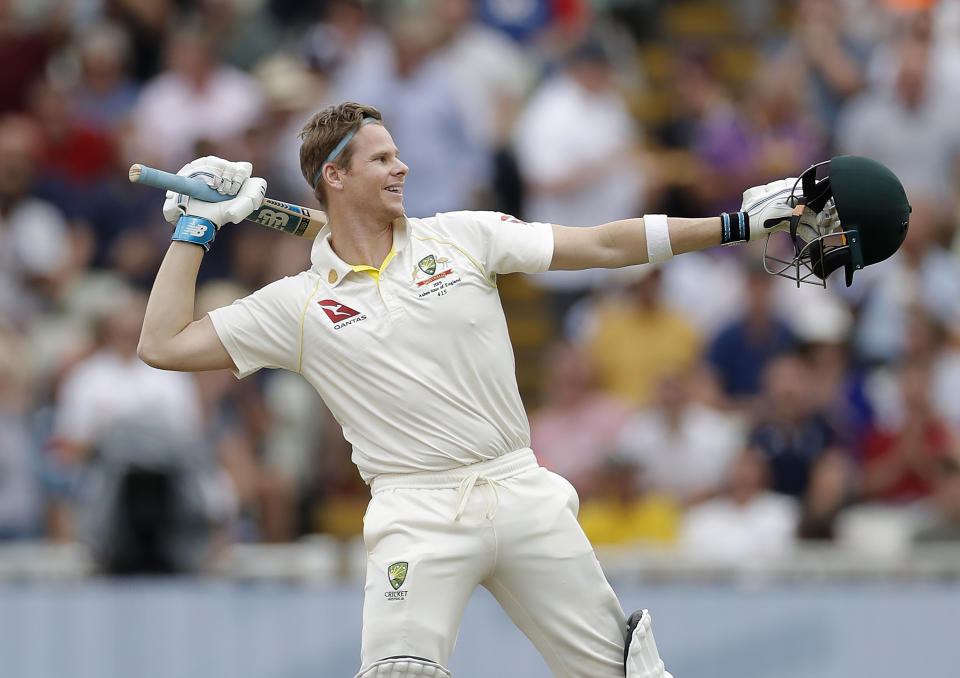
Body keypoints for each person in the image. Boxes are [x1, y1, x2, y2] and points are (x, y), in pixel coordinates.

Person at [136, 102, 901, 678]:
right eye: (380, 159)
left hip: (519, 489)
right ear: (335, 176)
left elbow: (603, 243)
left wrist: (736, 223)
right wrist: (194, 232)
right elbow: (162, 344)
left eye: (400, 154)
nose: (402, 168)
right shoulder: (295, 304)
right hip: (416, 511)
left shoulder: (464, 237)